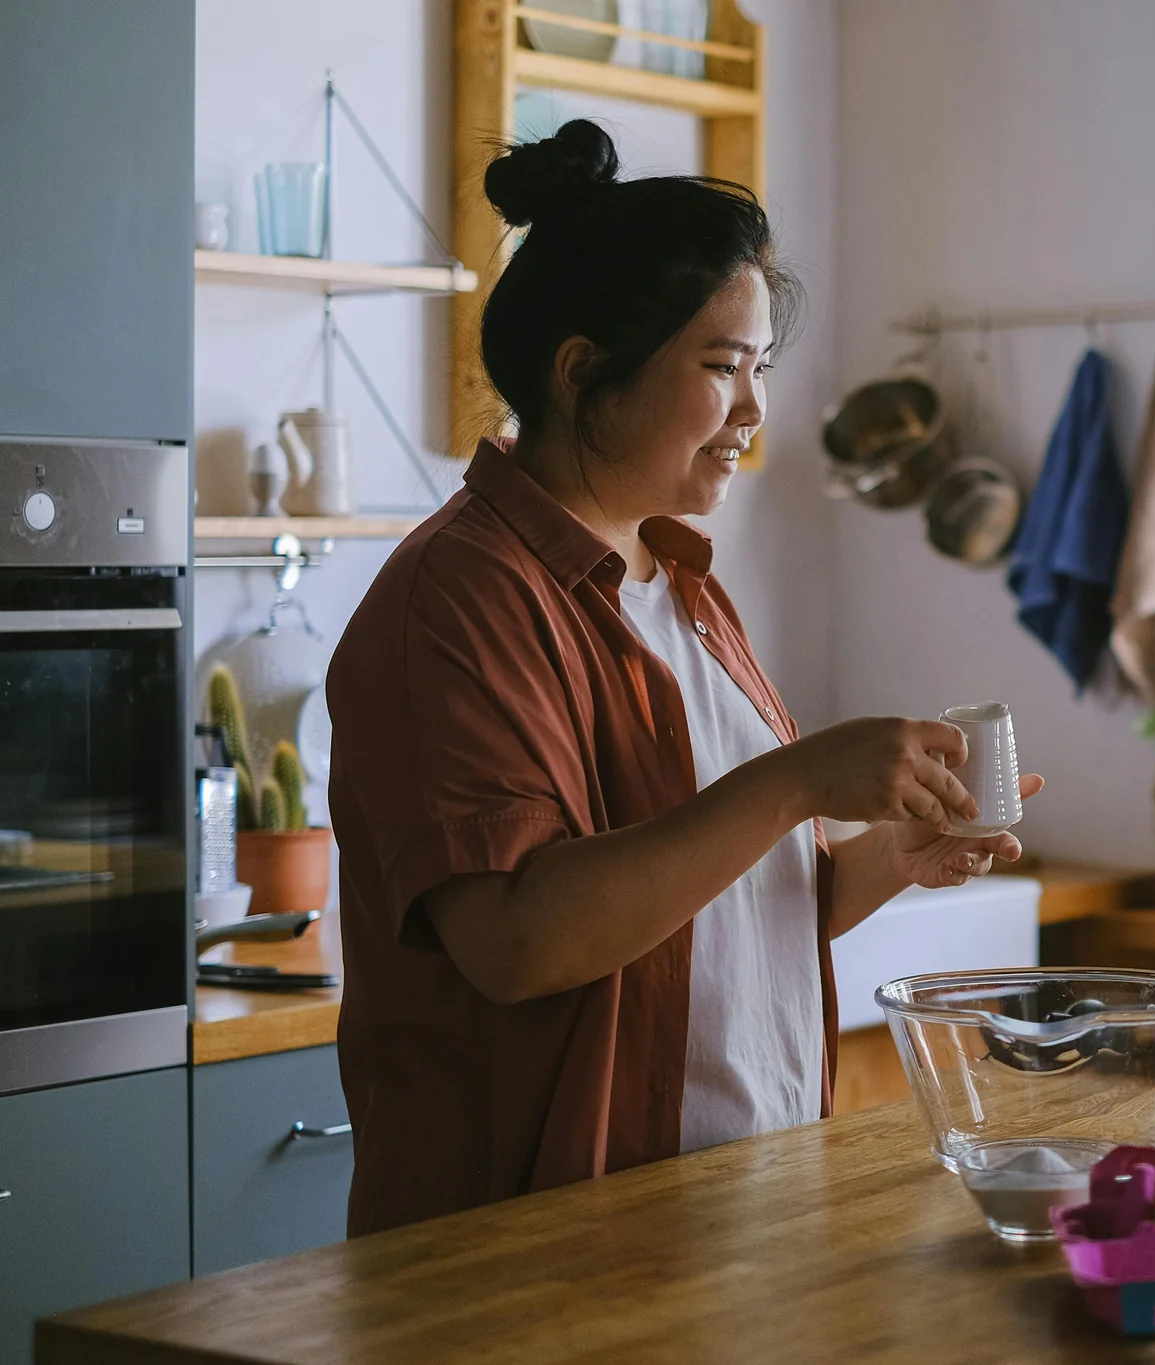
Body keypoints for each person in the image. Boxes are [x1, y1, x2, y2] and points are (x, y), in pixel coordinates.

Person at [325, 121, 1040, 1237]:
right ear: (580, 371)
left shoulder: (684, 588)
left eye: (758, 368)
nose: (754, 413)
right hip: (538, 1251)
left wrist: (886, 861)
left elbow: (723, 907)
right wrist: (798, 781)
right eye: (719, 368)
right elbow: (516, 941)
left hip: (731, 1215)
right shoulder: (459, 598)